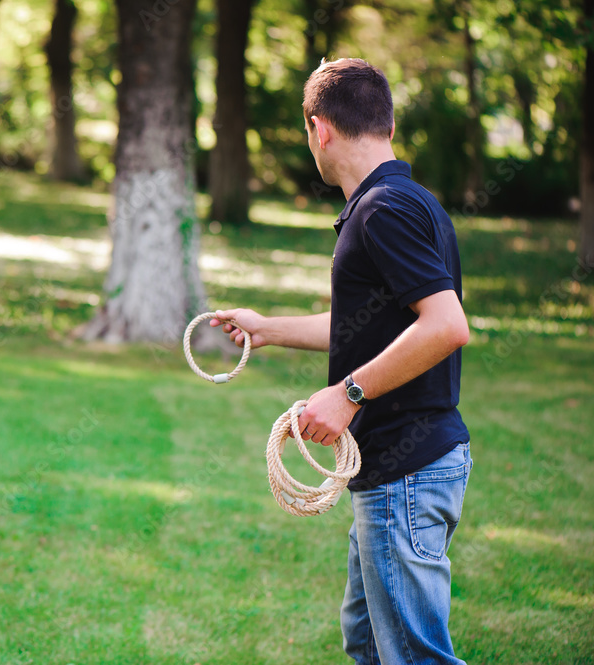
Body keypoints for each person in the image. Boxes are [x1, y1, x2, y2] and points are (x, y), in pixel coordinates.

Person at [211, 58, 472, 665]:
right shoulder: (404, 201)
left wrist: (346, 394)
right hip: (394, 470)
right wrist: (267, 328)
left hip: (406, 471)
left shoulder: (383, 211)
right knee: (370, 647)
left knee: (412, 658)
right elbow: (379, 327)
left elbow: (446, 325)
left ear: (319, 129)